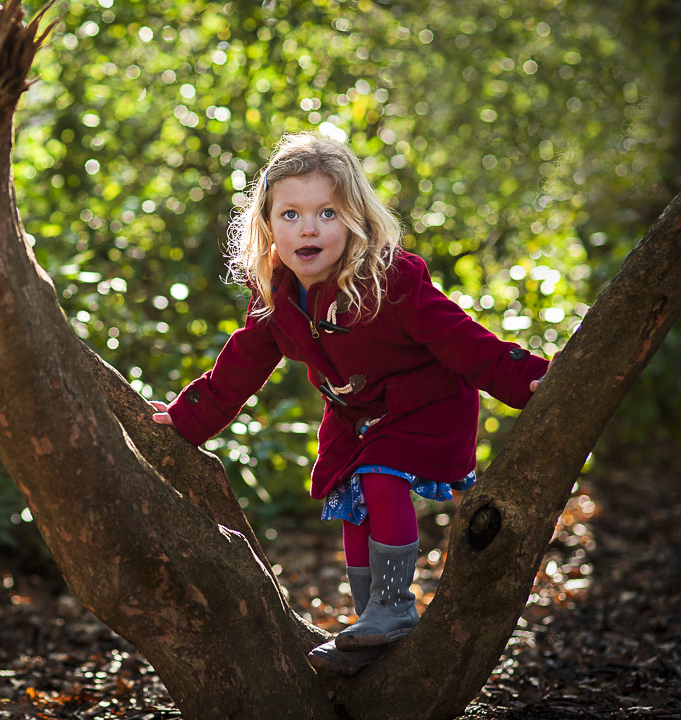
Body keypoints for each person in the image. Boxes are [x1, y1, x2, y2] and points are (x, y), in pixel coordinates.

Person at [150, 132, 550, 674]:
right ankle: (371, 626)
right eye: (289, 214)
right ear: (268, 226)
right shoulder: (278, 293)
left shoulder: (390, 279)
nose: (308, 228)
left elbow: (462, 339)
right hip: (354, 415)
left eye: (327, 213)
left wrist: (527, 379)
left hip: (423, 404)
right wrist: (184, 419)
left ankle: (393, 606)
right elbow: (240, 364)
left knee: (381, 480)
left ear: (355, 219)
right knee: (349, 501)